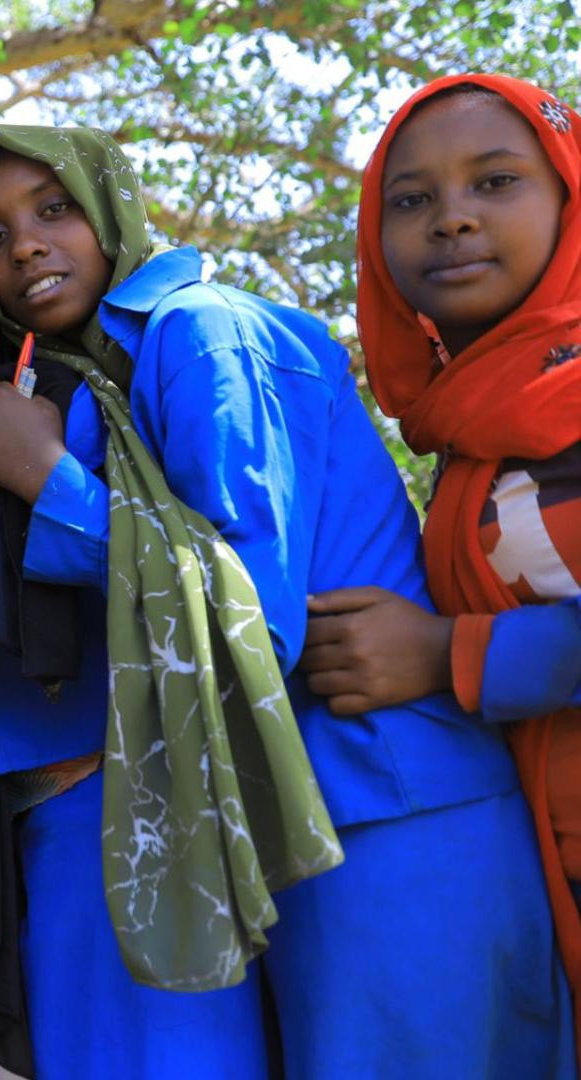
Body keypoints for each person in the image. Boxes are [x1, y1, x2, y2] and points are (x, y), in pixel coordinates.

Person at [0, 120, 566, 1076]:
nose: (23, 245)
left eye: (54, 207)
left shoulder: (202, 330)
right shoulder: (94, 379)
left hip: (390, 804)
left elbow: (249, 611)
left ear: (114, 203)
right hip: (308, 815)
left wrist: (49, 482)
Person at [300, 73, 581, 1065]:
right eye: (410, 200)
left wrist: (446, 655)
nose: (451, 220)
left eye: (495, 182)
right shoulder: (467, 446)